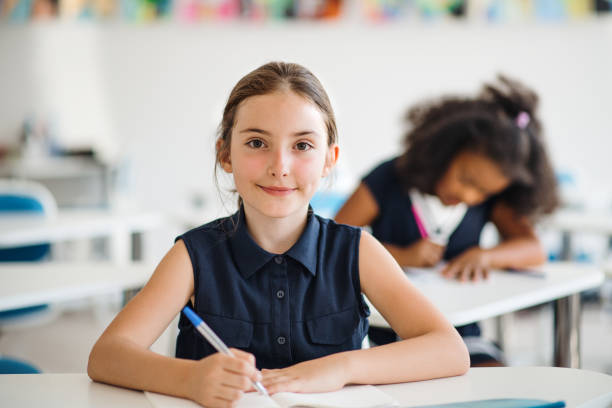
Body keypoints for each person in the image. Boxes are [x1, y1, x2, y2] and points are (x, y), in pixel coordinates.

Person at [88, 62, 469, 408]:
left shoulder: (357, 251)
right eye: (256, 143)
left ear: (328, 160)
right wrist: (190, 379)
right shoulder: (193, 256)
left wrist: (339, 369)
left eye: (302, 145)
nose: (280, 167)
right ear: (225, 154)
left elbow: (449, 349)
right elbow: (107, 355)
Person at [335, 75, 559, 366]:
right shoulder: (388, 179)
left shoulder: (487, 201)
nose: (470, 195)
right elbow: (335, 244)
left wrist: (487, 256)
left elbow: (533, 249)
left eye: (484, 191)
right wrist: (401, 256)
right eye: (466, 179)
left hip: (462, 337)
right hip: (385, 338)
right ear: (444, 151)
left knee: (497, 379)